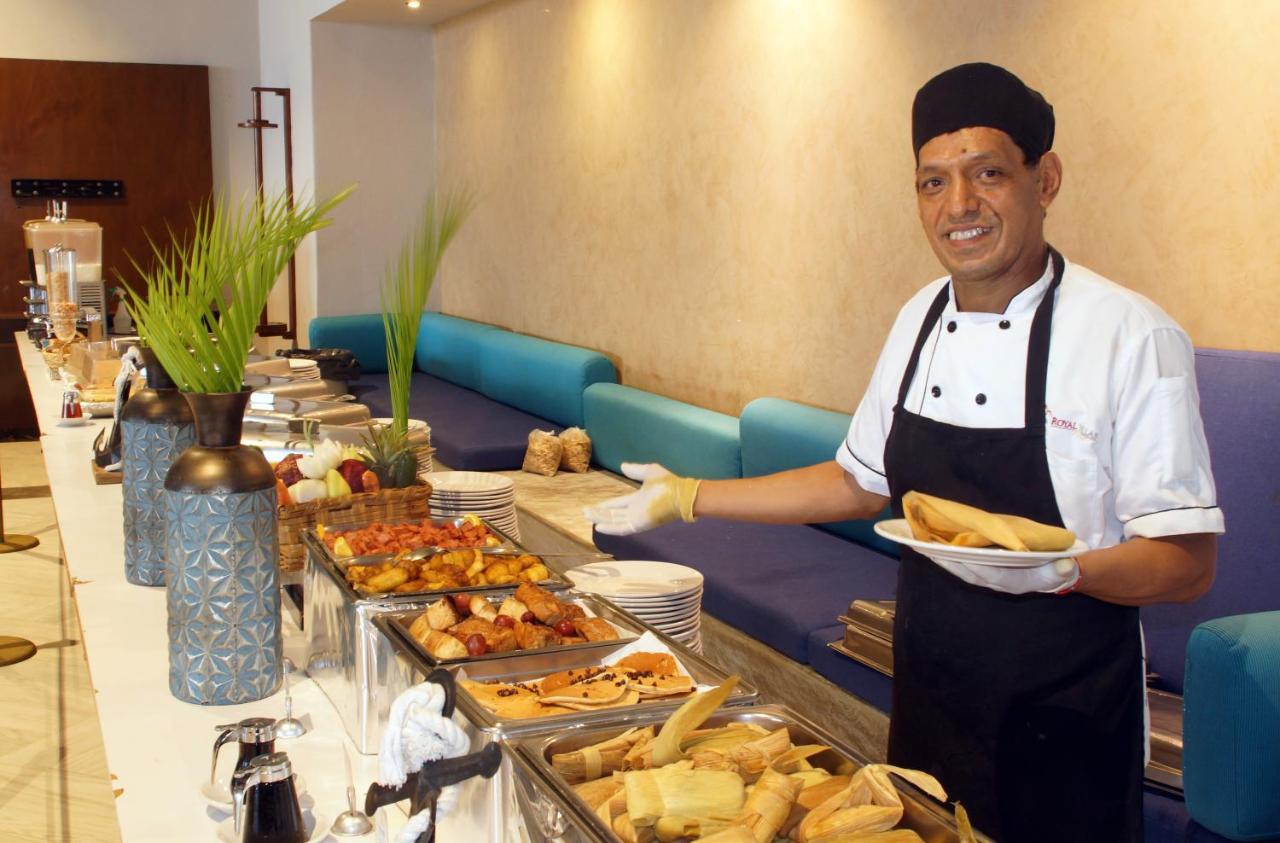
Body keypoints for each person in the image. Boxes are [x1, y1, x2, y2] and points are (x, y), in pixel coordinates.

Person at [584, 62, 1223, 842]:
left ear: (1044, 178)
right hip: (929, 697)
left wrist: (1060, 571)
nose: (960, 205)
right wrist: (687, 496)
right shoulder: (919, 318)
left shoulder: (1132, 336)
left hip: (1068, 718)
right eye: (933, 182)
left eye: (988, 173)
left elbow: (1186, 560)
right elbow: (858, 483)